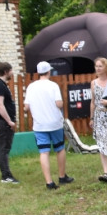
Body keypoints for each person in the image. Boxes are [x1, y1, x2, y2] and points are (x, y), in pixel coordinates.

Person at [24, 61, 73, 190]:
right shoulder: (53, 86)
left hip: (39, 124)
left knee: (44, 152)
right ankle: (62, 176)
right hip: (54, 122)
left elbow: (26, 107)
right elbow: (59, 104)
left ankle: (49, 182)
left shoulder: (31, 87)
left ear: (38, 72)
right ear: (49, 71)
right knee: (60, 149)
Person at [0, 61, 19, 184]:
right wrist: (9, 121)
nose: (12, 73)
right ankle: (6, 176)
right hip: (2, 122)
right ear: (5, 71)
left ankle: (6, 174)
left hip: (3, 121)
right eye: (11, 70)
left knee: (5, 148)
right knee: (3, 148)